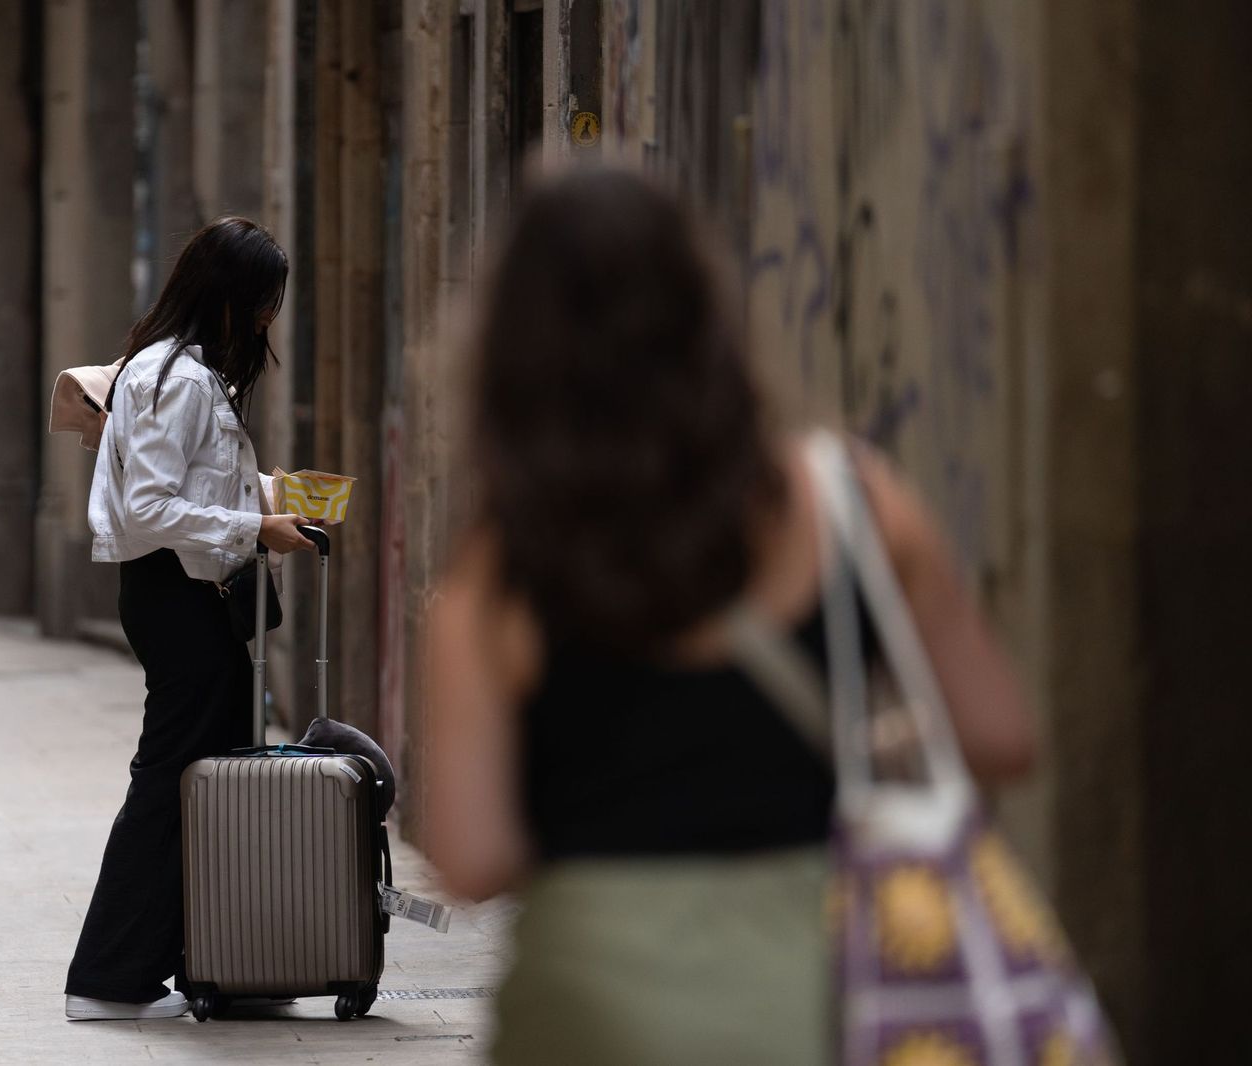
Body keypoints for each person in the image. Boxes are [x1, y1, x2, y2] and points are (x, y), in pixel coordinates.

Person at [424, 169, 1036, 1063]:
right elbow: (1002, 736)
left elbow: (470, 855)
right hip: (815, 996)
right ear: (707, 318)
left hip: (587, 1009)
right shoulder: (854, 505)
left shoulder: (497, 579)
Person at [65, 217, 317, 1021]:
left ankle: (204, 964)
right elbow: (150, 507)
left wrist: (268, 497)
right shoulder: (173, 377)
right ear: (228, 296)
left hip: (184, 592)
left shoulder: (183, 371)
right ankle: (108, 979)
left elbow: (186, 490)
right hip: (174, 595)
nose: (268, 317)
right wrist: (255, 527)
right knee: (172, 779)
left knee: (203, 776)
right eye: (264, 300)